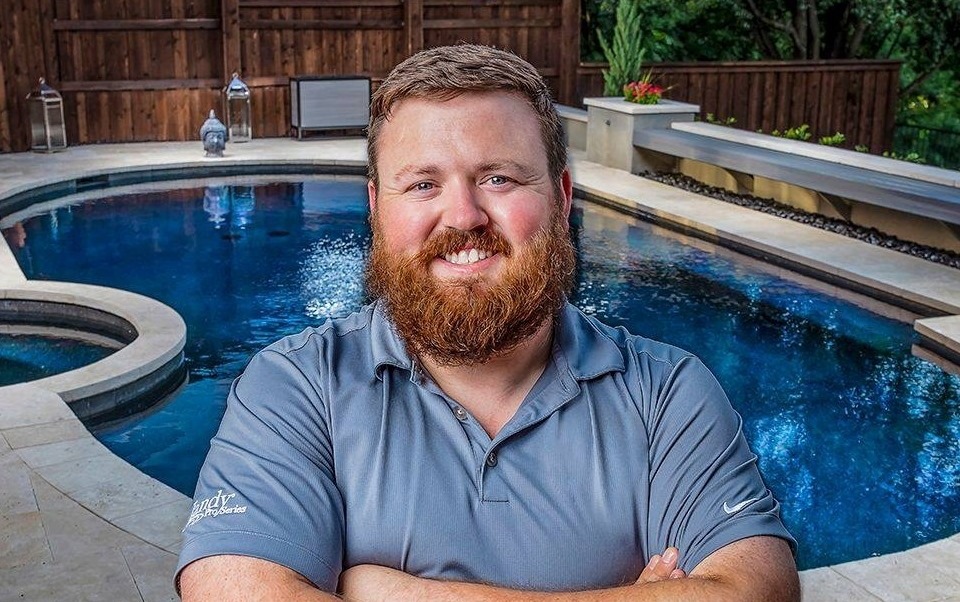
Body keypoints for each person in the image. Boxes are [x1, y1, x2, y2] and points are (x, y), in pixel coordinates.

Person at [176, 44, 799, 601]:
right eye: (423, 185)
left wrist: (394, 592)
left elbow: (756, 591)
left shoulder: (667, 393)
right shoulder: (294, 387)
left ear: (561, 196)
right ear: (375, 207)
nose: (463, 217)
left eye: (499, 178)